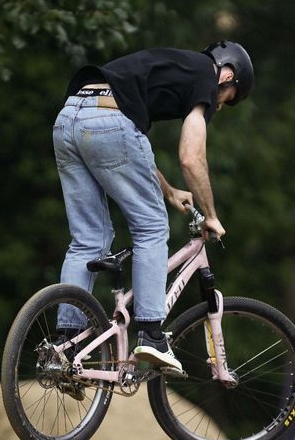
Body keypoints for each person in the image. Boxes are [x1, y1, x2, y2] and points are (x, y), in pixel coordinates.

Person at [52, 41, 254, 373]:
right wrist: (211, 215)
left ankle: (66, 343)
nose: (217, 106)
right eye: (224, 99)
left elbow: (129, 142)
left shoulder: (175, 67)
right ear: (227, 75)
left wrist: (170, 191)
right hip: (109, 119)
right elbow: (190, 158)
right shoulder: (207, 74)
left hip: (70, 116)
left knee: (87, 239)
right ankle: (150, 334)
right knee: (152, 227)